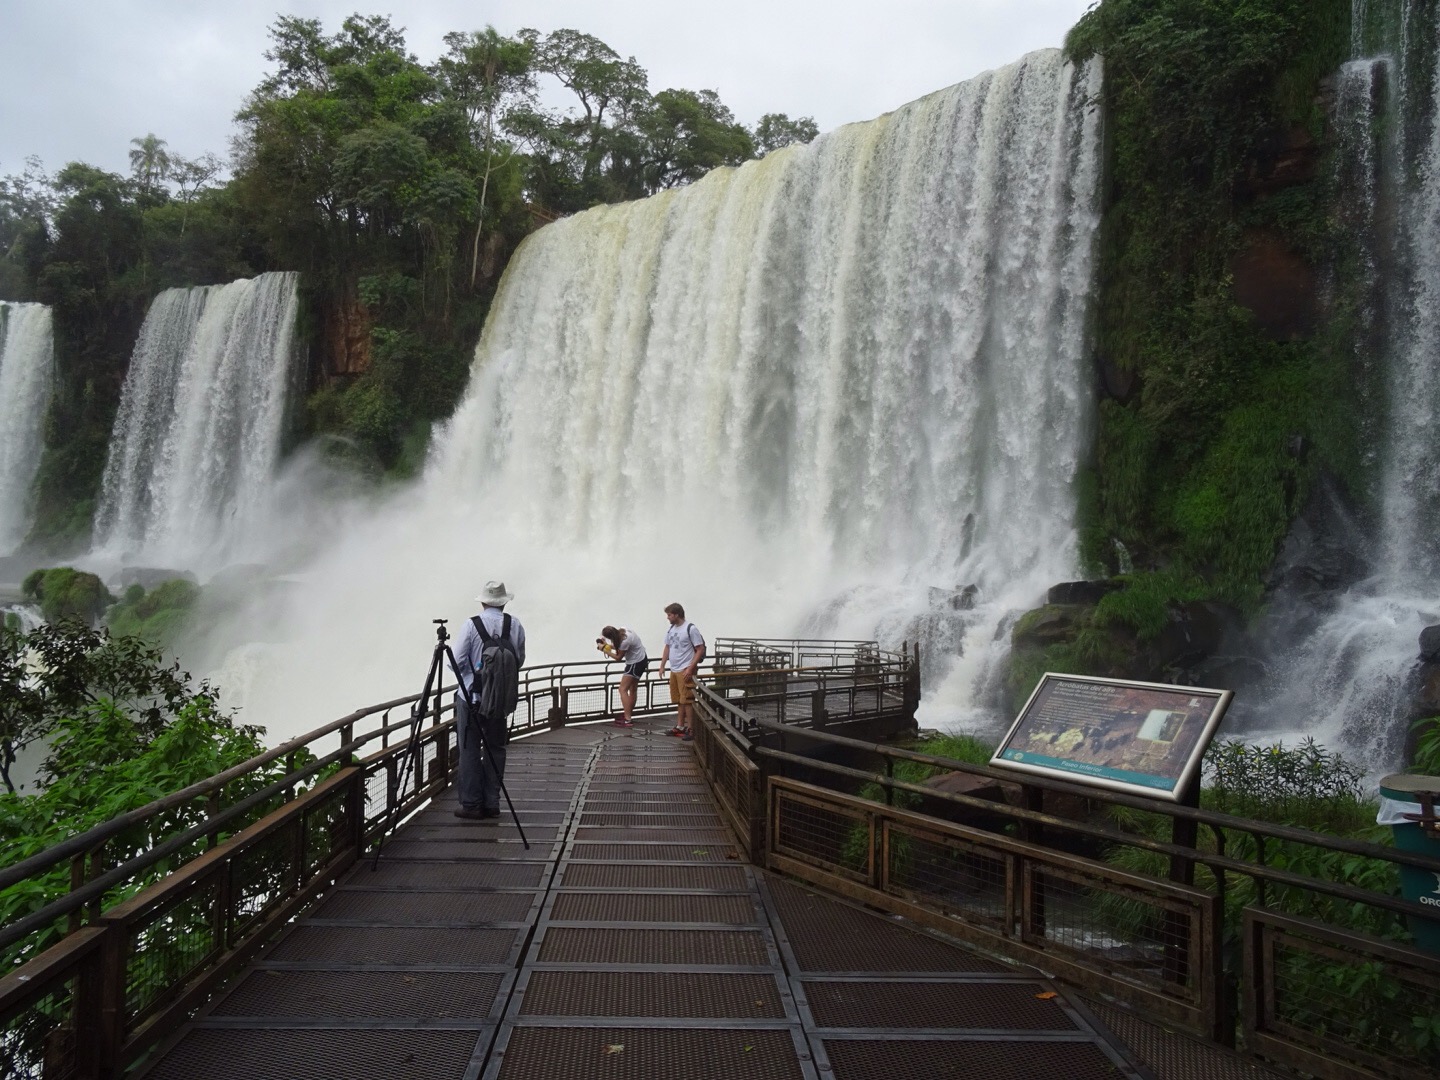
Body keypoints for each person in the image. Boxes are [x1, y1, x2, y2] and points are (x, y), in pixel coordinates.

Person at [451, 580, 526, 820]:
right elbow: (519, 659)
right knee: (496, 748)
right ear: (504, 602)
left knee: (469, 749)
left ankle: (472, 804)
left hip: (471, 697)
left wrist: (473, 673)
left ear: (483, 602)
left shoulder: (471, 625)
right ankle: (492, 802)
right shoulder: (514, 625)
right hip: (500, 699)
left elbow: (456, 661)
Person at [658, 602, 705, 741]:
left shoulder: (690, 628)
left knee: (688, 700)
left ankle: (691, 729)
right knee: (679, 700)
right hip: (674, 668)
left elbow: (700, 649)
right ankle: (680, 726)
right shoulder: (671, 629)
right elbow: (667, 647)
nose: (667, 617)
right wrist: (662, 665)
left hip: (685, 669)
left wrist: (690, 668)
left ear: (677, 615)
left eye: (669, 615)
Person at [600, 625, 648, 727]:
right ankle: (628, 713)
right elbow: (620, 647)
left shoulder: (624, 642)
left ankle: (627, 719)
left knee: (622, 689)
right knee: (633, 689)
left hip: (634, 663)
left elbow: (618, 657)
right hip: (642, 659)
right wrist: (608, 646)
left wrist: (604, 649)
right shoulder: (624, 629)